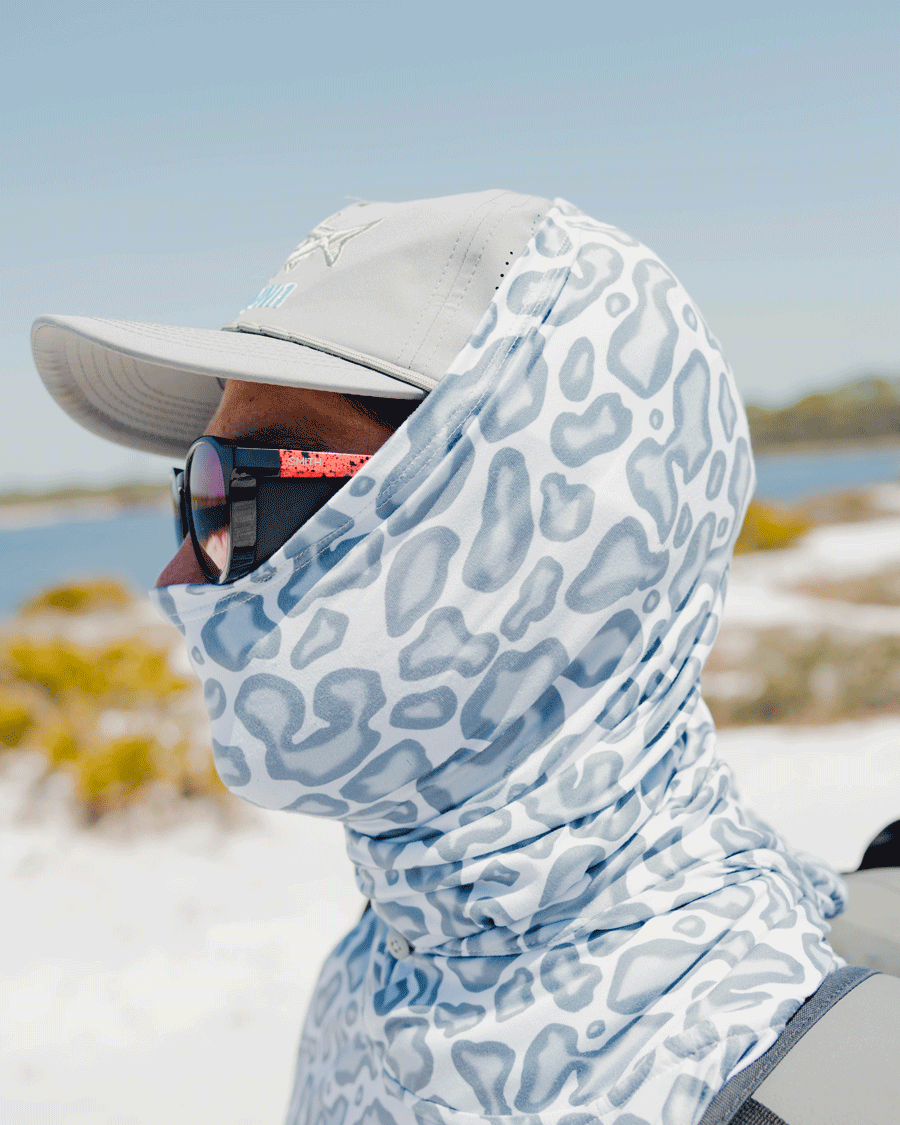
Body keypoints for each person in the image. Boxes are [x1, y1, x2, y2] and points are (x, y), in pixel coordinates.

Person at [31, 190, 900, 1125]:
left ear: (527, 535)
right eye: (190, 494)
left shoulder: (819, 1085)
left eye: (235, 495)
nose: (178, 581)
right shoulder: (364, 986)